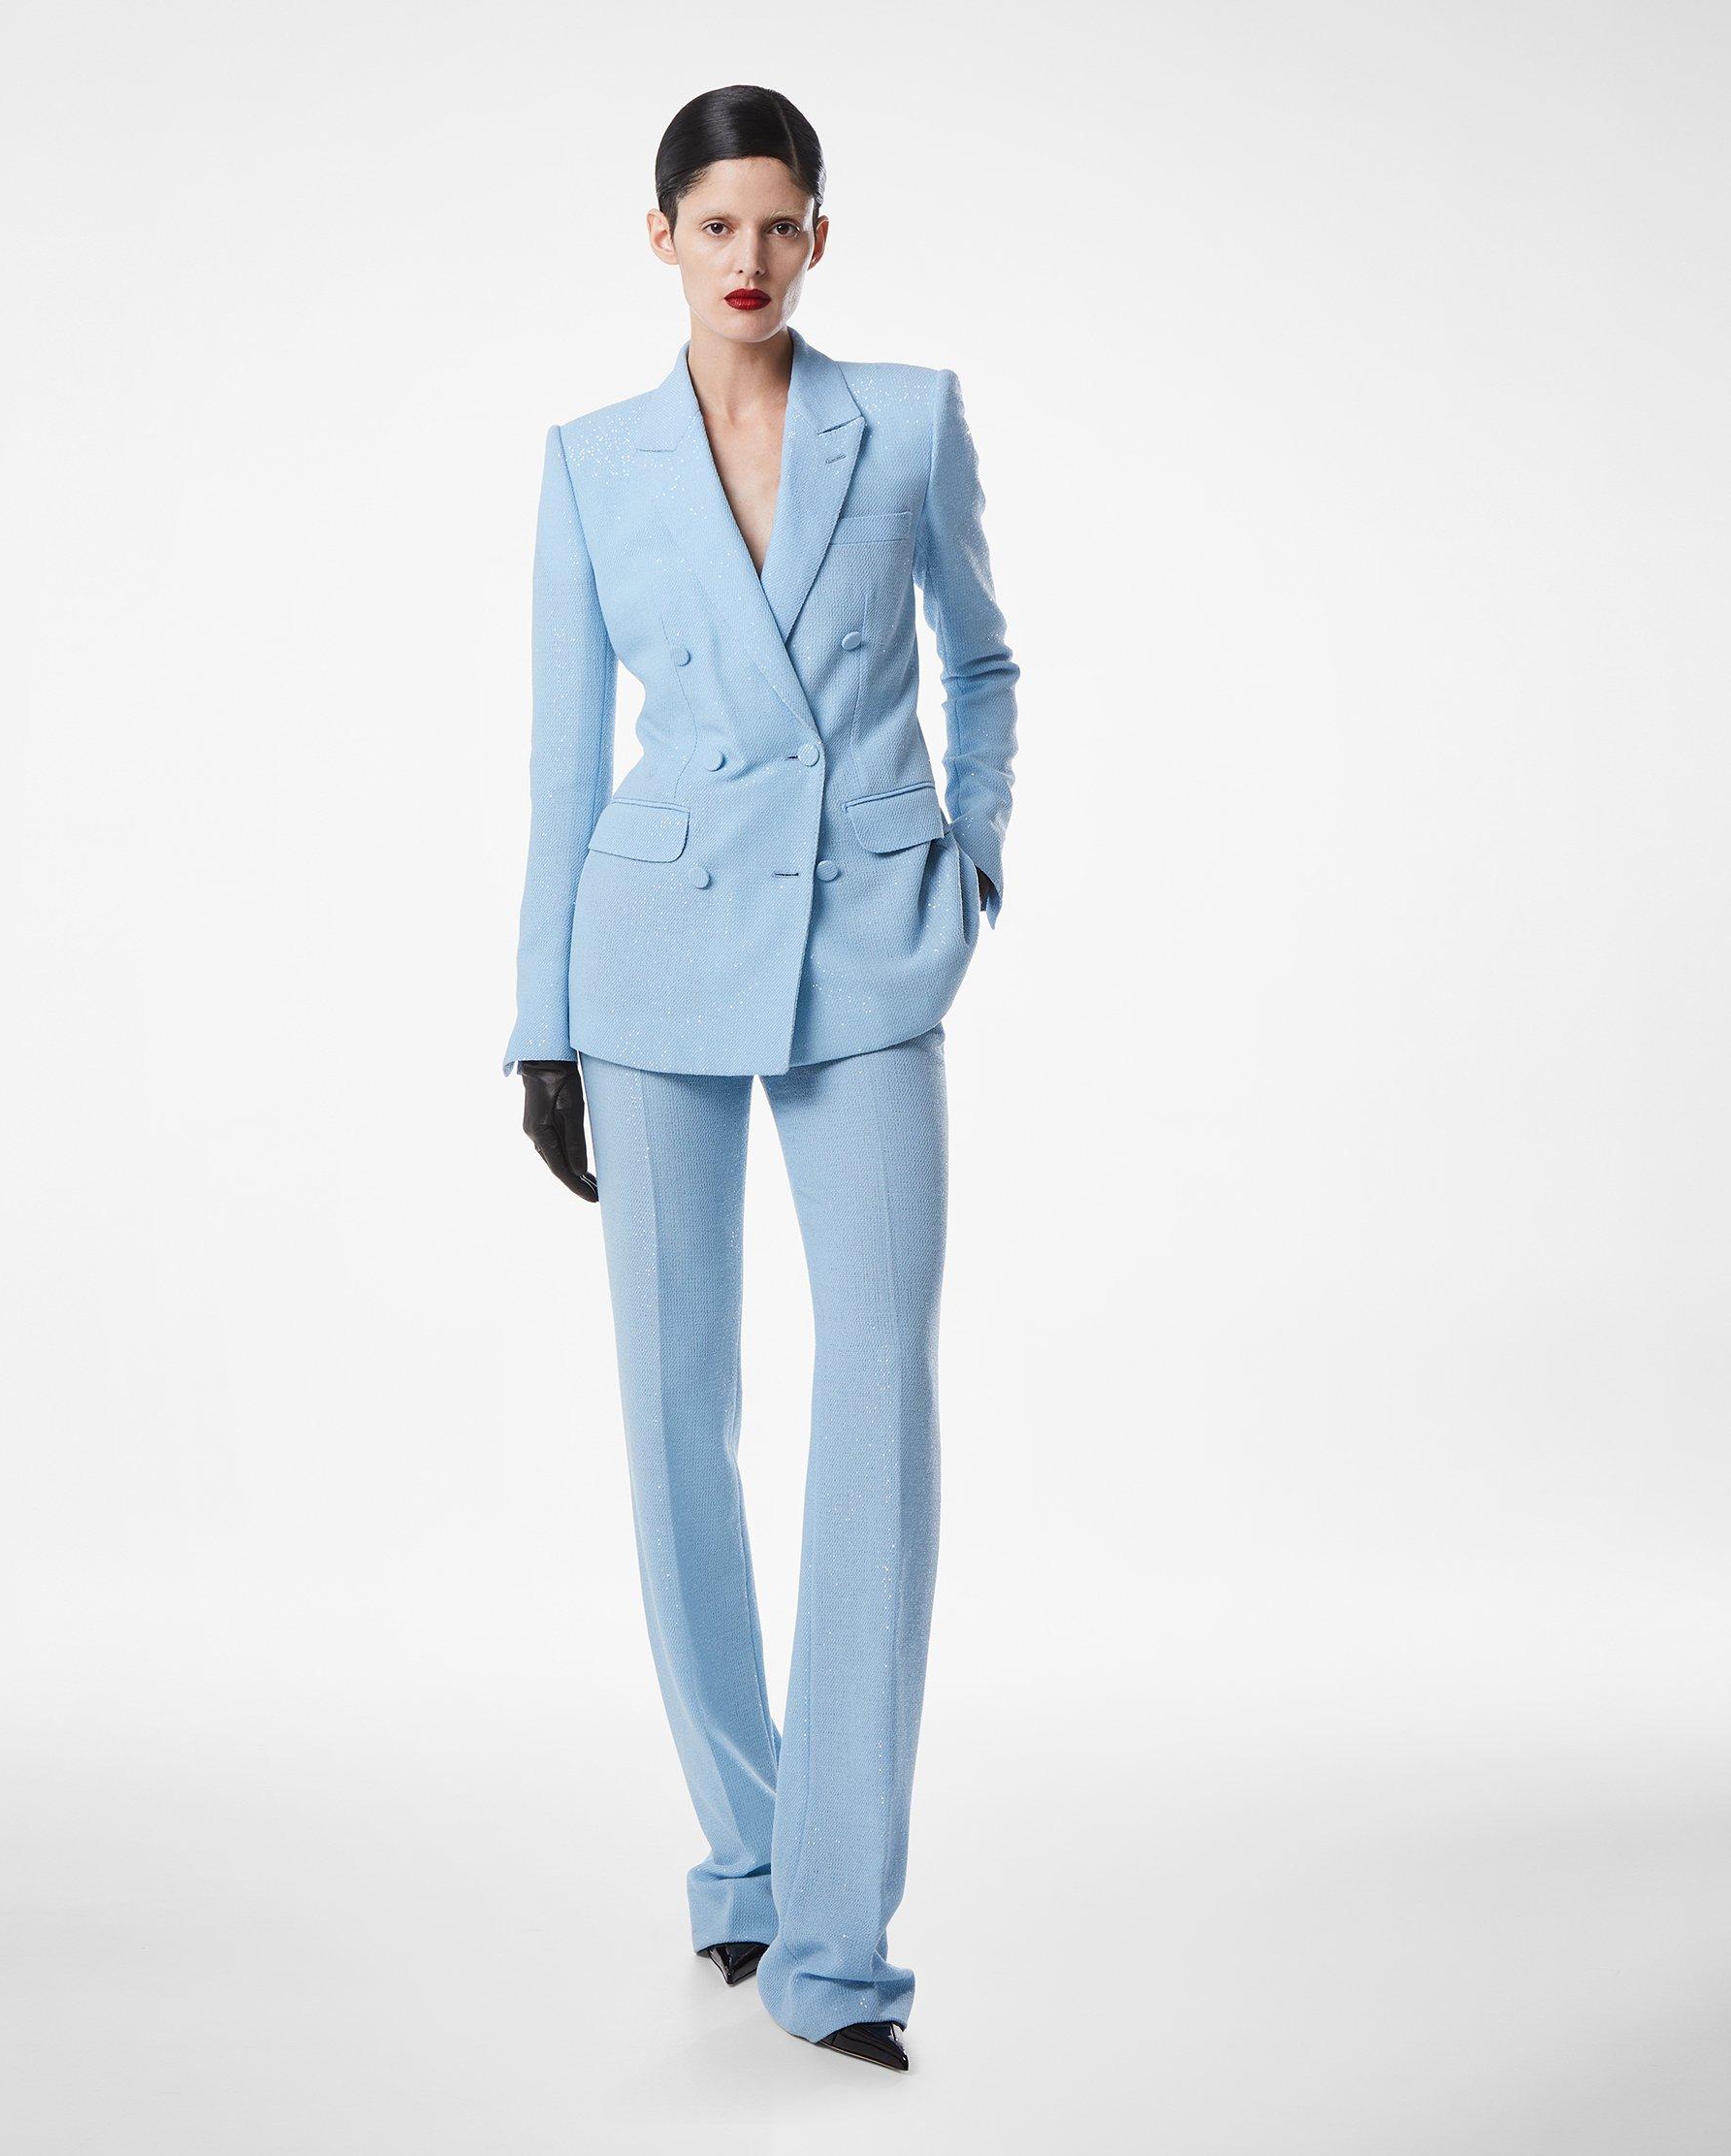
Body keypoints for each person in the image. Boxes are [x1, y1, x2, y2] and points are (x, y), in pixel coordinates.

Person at [502, 83, 1019, 2073]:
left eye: (779, 223)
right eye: (714, 224)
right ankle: (745, 1854)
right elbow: (562, 755)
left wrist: (970, 860)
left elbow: (983, 661)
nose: (747, 257)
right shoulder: (589, 463)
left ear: (819, 236)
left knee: (878, 1396)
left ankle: (837, 1938)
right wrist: (540, 1018)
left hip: (869, 941)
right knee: (675, 1414)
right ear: (662, 237)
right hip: (648, 955)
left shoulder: (912, 420)